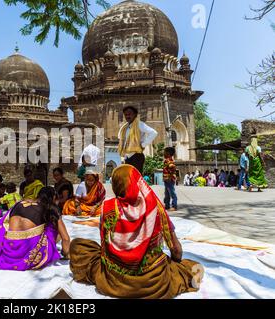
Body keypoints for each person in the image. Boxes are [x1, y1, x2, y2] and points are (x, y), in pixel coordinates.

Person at [69, 164, 203, 299]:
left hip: (114, 280)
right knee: (192, 268)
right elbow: (176, 251)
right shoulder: (155, 208)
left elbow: (105, 247)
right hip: (154, 283)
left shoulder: (108, 207)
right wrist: (175, 265)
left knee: (78, 246)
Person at [0, 187, 71, 271]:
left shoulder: (19, 203)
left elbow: (2, 224)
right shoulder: (51, 208)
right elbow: (66, 239)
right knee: (52, 228)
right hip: (26, 251)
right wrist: (65, 254)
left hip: (8, 249)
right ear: (53, 198)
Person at [118, 106, 158, 174]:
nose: (127, 116)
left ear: (135, 115)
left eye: (129, 114)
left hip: (137, 156)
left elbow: (153, 133)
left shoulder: (139, 124)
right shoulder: (125, 127)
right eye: (126, 115)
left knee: (136, 180)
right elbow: (123, 141)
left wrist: (143, 145)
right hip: (128, 157)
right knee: (129, 180)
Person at [163, 147, 178, 211]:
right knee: (167, 193)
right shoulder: (168, 160)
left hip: (169, 179)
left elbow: (173, 168)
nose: (164, 153)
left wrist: (171, 176)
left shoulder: (168, 160)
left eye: (165, 152)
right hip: (167, 179)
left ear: (168, 153)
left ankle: (174, 206)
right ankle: (167, 205)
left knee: (172, 193)